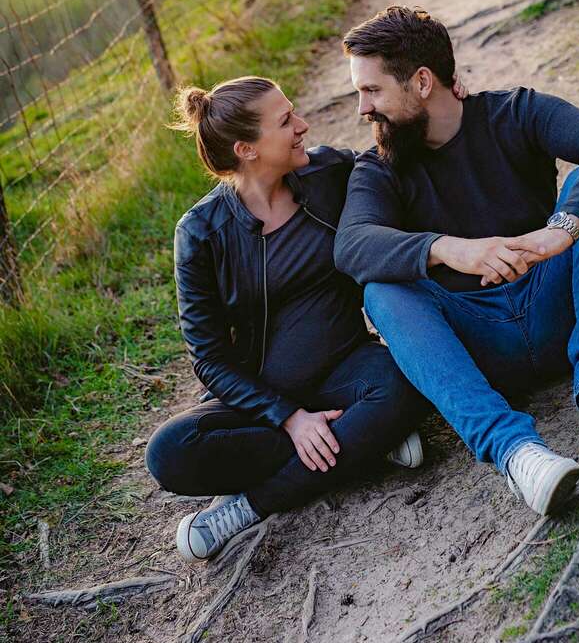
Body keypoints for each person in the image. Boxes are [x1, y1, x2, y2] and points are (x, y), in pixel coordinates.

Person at [334, 6, 579, 517]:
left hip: (555, 307)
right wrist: (450, 248)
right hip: (481, 345)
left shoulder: (513, 112)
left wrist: (560, 232)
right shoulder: (379, 168)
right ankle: (517, 454)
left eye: (373, 90)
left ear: (422, 81)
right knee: (382, 291)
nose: (363, 108)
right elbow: (352, 244)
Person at [144, 76, 430, 563]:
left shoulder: (329, 173)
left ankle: (248, 506)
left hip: (349, 370)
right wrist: (290, 418)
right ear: (247, 149)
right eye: (285, 122)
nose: (302, 126)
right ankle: (363, 441)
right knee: (168, 452)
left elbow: (390, 166)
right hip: (262, 400)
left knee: (405, 385)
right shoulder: (200, 234)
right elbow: (209, 359)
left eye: (293, 113)